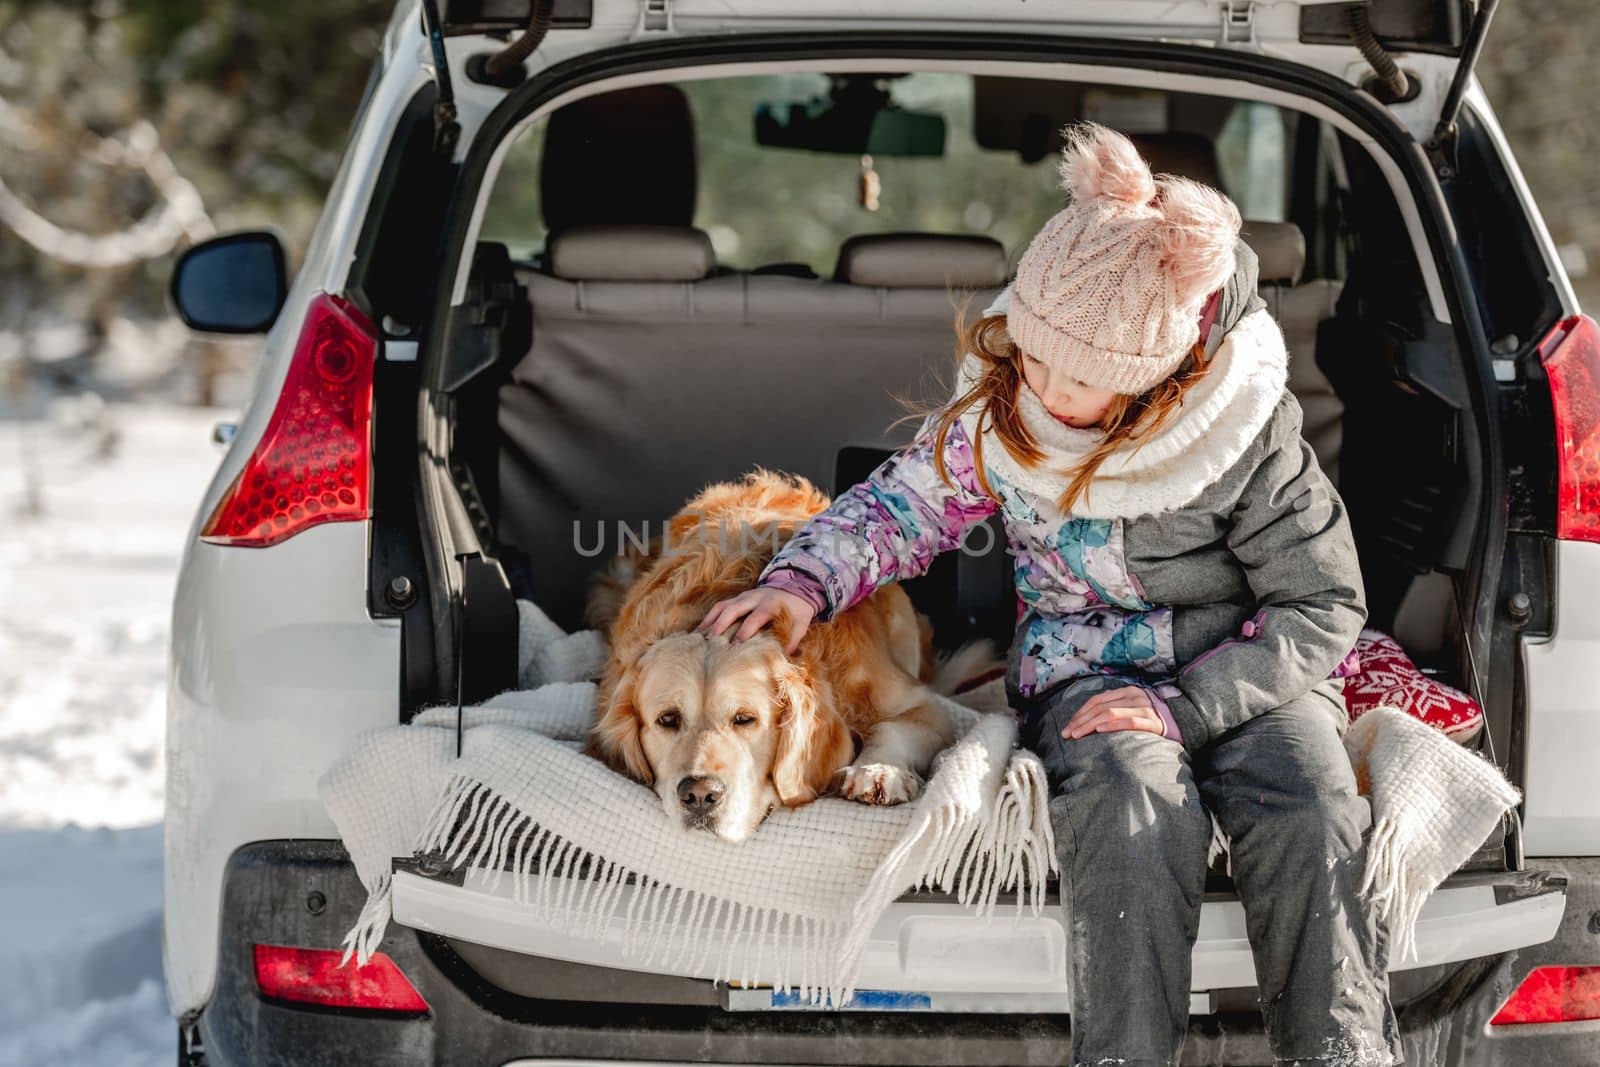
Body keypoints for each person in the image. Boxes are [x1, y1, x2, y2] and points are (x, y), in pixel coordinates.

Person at [695, 122, 1399, 1066]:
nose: (1050, 394)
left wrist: (1189, 707)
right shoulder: (1002, 410)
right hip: (1091, 668)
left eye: (1087, 381)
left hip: (1245, 671)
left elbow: (1323, 604)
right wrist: (803, 583)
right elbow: (899, 507)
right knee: (1128, 800)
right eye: (1035, 361)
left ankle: (1342, 1051)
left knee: (1310, 803)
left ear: (1159, 374)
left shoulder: (1242, 432)